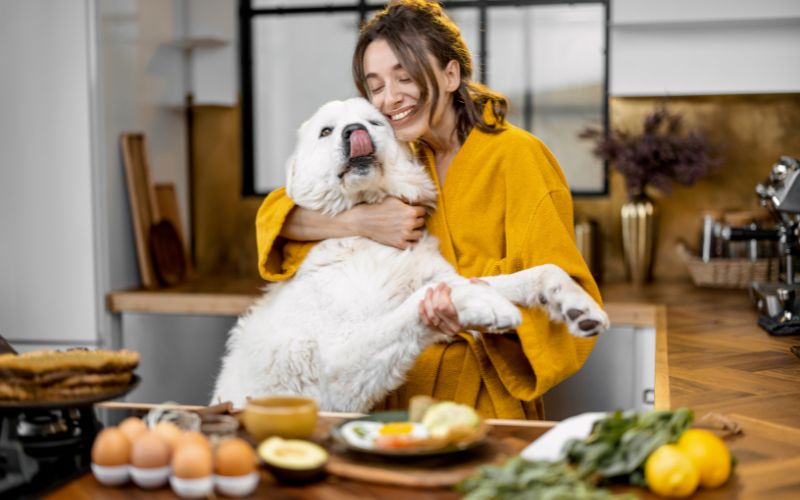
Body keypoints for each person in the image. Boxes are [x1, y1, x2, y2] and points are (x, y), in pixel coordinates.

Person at [255, 0, 601, 419]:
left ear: (450, 74)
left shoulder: (518, 156)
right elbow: (279, 213)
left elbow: (570, 294)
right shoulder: (394, 155)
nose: (389, 99)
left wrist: (472, 312)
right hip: (386, 390)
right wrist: (360, 221)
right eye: (376, 85)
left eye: (405, 77)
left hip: (479, 400)